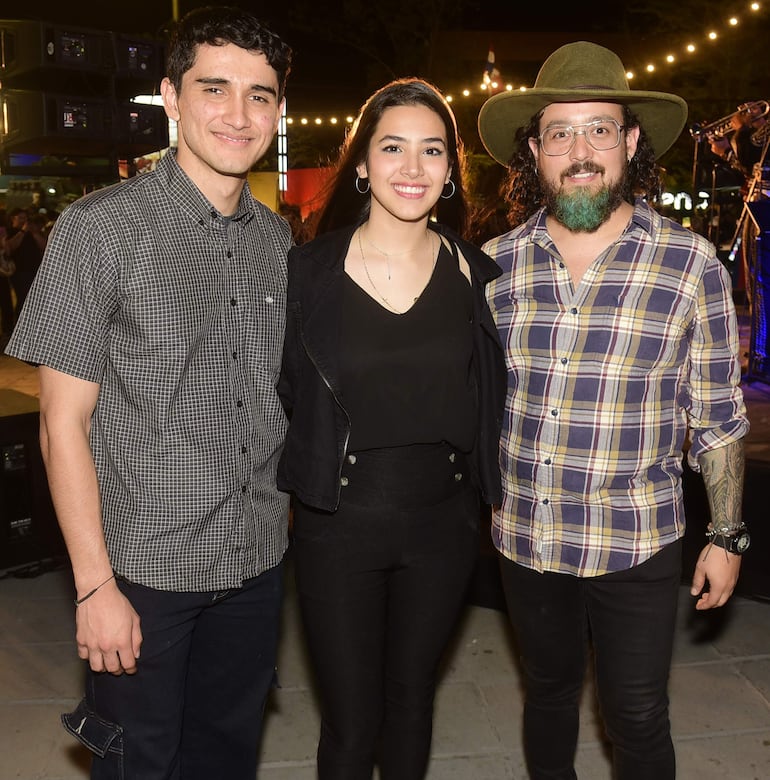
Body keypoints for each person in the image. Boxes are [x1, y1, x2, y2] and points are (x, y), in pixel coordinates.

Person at [5, 7, 292, 779]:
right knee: (135, 765)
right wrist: (94, 584)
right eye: (215, 88)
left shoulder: (277, 241)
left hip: (257, 561)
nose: (238, 114)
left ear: (278, 109)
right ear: (170, 95)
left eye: (259, 95)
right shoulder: (98, 230)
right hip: (143, 576)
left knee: (226, 759)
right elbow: (62, 426)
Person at [477, 41, 750, 779]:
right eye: (560, 133)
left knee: (635, 713)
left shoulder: (691, 264)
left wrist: (727, 535)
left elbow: (719, 417)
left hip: (638, 537)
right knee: (549, 696)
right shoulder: (493, 267)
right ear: (534, 152)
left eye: (600, 129)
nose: (581, 150)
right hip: (526, 537)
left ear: (630, 143)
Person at [277, 77, 507, 779]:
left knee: (411, 705)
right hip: (337, 525)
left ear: (450, 171)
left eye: (432, 150)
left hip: (444, 524)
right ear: (363, 165)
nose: (412, 168)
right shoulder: (306, 272)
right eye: (394, 147)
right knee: (351, 724)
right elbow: (283, 389)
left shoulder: (479, 274)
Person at [4, 207, 44, 322]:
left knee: (36, 299)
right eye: (21, 218)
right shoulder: (10, 231)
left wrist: (34, 233)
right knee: (23, 299)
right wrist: (22, 231)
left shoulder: (32, 233)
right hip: (20, 272)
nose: (24, 221)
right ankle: (19, 325)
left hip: (36, 270)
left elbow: (44, 246)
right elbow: (10, 248)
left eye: (26, 218)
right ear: (13, 219)